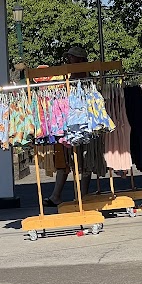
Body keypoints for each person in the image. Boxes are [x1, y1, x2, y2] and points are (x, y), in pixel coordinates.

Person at [43, 45, 93, 207]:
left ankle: (82, 196)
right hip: (66, 123)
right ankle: (56, 195)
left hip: (82, 123)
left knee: (84, 159)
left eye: (71, 57)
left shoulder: (86, 78)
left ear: (80, 59)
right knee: (63, 159)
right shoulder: (67, 77)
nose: (69, 59)